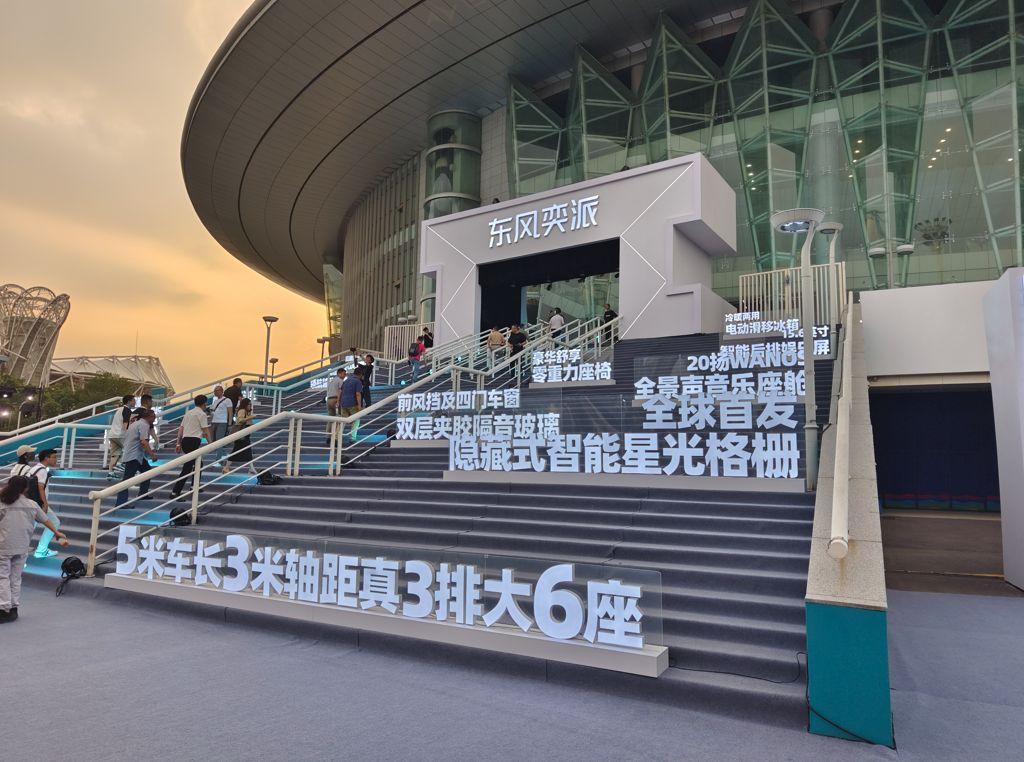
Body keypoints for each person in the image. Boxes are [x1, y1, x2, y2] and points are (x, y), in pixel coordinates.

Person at [0, 475, 70, 623]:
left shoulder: (3, 502)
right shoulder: (32, 504)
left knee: (3, 577)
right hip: (22, 546)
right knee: (15, 578)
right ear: (26, 488)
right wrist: (57, 533)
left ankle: (3, 609)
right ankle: (13, 608)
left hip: (4, 546)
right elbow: (46, 520)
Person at [10, 446, 61, 558]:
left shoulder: (22, 468)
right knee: (52, 523)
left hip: (27, 501)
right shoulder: (33, 469)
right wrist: (45, 503)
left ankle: (24, 552)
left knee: (28, 528)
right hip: (35, 503)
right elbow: (40, 487)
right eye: (54, 457)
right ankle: (35, 551)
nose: (34, 454)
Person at [114, 408, 157, 508]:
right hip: (134, 456)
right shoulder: (144, 425)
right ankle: (121, 503)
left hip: (135, 455)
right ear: (150, 417)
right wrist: (152, 454)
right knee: (127, 480)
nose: (154, 419)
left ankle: (143, 493)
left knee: (147, 471)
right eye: (154, 417)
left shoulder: (136, 423)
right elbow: (143, 442)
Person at [172, 395, 211, 499]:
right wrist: (211, 443)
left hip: (185, 441)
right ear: (205, 403)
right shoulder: (202, 414)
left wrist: (178, 443)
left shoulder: (188, 413)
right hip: (193, 441)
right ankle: (175, 492)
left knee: (198, 464)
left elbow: (181, 429)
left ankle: (194, 486)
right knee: (187, 468)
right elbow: (206, 431)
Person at [106, 394, 135, 477]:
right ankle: (120, 464)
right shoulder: (127, 410)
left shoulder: (119, 410)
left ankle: (110, 473)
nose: (135, 403)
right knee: (129, 449)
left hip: (112, 435)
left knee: (115, 455)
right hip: (120, 435)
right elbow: (125, 424)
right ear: (129, 401)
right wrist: (129, 434)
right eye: (133, 401)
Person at [228, 398, 256, 474]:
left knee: (247, 451)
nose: (250, 406)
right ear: (245, 404)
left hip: (245, 434)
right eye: (249, 404)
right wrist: (251, 417)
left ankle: (251, 468)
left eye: (250, 404)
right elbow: (240, 420)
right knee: (237, 450)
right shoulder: (242, 411)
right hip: (241, 434)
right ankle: (226, 467)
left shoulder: (246, 412)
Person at [209, 384, 234, 466]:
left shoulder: (227, 400)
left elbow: (230, 412)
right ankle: (224, 454)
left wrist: (229, 424)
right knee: (214, 441)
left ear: (221, 391)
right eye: (214, 391)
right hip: (214, 422)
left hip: (222, 422)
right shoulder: (215, 401)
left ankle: (218, 460)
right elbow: (212, 411)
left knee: (219, 441)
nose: (215, 392)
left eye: (217, 390)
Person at [339, 365, 362, 442]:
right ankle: (352, 437)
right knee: (356, 420)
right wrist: (359, 406)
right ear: (360, 374)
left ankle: (337, 437)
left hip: (343, 403)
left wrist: (339, 402)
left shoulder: (346, 380)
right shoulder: (358, 381)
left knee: (343, 421)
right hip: (352, 403)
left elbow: (341, 391)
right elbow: (358, 394)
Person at [324, 366, 344, 442]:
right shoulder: (340, 380)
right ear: (339, 373)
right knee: (338, 418)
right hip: (335, 400)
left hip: (328, 400)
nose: (344, 376)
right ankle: (335, 437)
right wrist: (338, 401)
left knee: (330, 419)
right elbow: (340, 391)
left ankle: (328, 437)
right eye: (343, 374)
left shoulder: (331, 381)